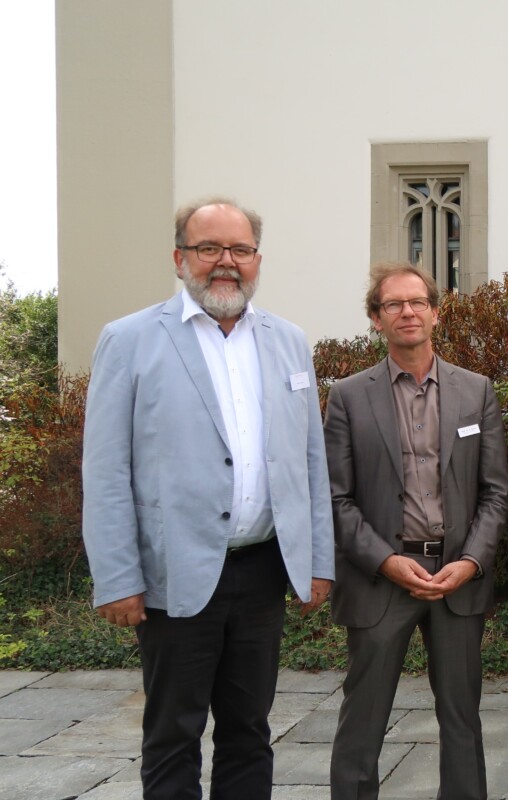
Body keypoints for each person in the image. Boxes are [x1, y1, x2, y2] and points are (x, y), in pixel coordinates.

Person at [81, 198, 335, 800]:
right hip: (175, 576)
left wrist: (318, 560)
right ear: (179, 258)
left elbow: (309, 461)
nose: (226, 263)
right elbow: (106, 469)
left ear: (257, 260)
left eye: (240, 250)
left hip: (261, 571)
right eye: (209, 249)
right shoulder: (130, 340)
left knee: (250, 732)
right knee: (173, 733)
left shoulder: (289, 341)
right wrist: (118, 577)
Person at [325, 261, 508, 800]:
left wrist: (471, 562)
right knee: (362, 721)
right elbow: (336, 498)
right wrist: (385, 560)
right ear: (376, 319)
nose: (407, 312)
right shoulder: (349, 397)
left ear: (435, 311)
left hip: (458, 578)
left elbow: (496, 491)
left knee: (462, 720)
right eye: (393, 305)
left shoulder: (476, 391)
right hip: (382, 579)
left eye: (417, 303)